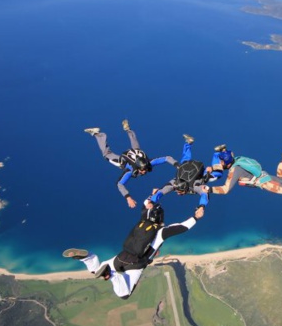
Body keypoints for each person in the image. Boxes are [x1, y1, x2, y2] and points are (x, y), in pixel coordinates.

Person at [62, 201, 203, 300]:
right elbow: (182, 227)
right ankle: (110, 275)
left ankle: (87, 258)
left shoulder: (142, 220)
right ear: (161, 218)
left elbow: (145, 205)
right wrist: (196, 217)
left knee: (95, 269)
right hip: (136, 264)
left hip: (121, 256)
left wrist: (150, 199)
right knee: (124, 294)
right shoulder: (161, 232)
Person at [84, 119, 177, 208]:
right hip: (126, 160)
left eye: (144, 170)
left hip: (136, 154)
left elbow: (167, 158)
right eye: (142, 170)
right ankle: (99, 134)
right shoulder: (130, 170)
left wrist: (178, 165)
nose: (144, 172)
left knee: (136, 147)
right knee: (107, 155)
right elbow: (119, 184)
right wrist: (128, 197)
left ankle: (128, 129)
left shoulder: (149, 162)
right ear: (138, 168)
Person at [148, 134, 211, 217]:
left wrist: (202, 207)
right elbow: (161, 192)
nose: (178, 194)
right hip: (185, 166)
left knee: (209, 177)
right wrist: (152, 201)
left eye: (180, 192)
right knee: (184, 160)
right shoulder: (175, 183)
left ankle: (217, 156)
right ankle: (188, 143)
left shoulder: (193, 186)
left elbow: (204, 194)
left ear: (185, 189)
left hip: (200, 171)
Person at [209, 146, 282, 195]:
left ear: (229, 164)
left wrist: (209, 189)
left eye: (222, 163)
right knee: (281, 179)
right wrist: (221, 151)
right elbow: (226, 156)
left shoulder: (235, 170)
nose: (221, 165)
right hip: (265, 176)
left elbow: (226, 189)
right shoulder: (238, 159)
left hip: (264, 182)